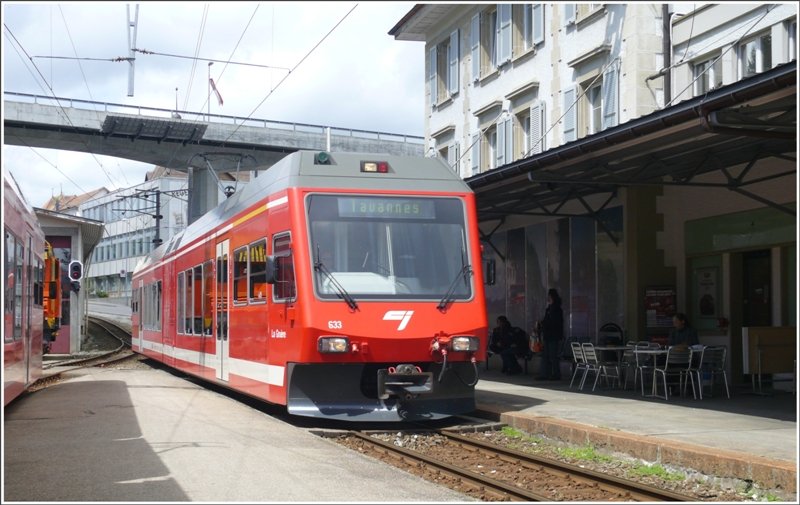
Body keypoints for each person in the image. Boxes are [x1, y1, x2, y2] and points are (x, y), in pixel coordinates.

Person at [537, 288, 564, 380]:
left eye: (549, 296)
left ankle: (556, 374)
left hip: (553, 336)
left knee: (553, 356)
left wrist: (544, 324)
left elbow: (555, 323)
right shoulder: (549, 309)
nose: (548, 298)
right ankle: (545, 374)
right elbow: (547, 321)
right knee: (546, 355)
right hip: (548, 335)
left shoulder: (556, 309)